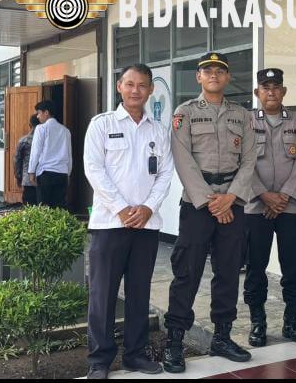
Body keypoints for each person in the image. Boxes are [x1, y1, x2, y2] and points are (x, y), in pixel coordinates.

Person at [162, 52, 256, 373]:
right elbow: (182, 159)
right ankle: (174, 342)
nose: (214, 74)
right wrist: (210, 201)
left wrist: (230, 198)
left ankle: (222, 338)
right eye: (207, 70)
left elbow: (249, 160)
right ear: (198, 77)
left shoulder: (242, 115)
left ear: (227, 77)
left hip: (232, 203)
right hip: (197, 205)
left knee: (228, 272)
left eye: (220, 70)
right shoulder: (185, 113)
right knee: (187, 272)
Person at [83, 64, 174, 379]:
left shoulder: (158, 130)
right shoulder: (102, 125)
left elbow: (165, 174)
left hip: (146, 226)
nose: (136, 90)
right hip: (109, 224)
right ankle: (99, 360)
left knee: (139, 293)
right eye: (130, 84)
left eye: (142, 85)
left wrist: (148, 207)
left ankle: (135, 355)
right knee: (102, 295)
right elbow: (94, 169)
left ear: (151, 90)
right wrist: (121, 208)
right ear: (119, 86)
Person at [244, 68, 296, 347]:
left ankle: (291, 321)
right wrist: (264, 195)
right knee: (255, 268)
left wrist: (282, 197)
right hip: (255, 208)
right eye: (265, 87)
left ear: (284, 91)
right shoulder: (246, 121)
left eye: (276, 87)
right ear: (257, 92)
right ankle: (257, 322)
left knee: (294, 267)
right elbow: (242, 162)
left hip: (289, 208)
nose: (271, 92)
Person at [28, 100, 72, 209]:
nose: (37, 116)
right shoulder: (65, 131)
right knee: (59, 209)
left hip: (45, 174)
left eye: (39, 113)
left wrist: (31, 171)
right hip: (62, 174)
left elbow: (36, 151)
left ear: (46, 112)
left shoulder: (41, 128)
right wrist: (68, 173)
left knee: (44, 209)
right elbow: (69, 154)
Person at [13, 114, 40, 205]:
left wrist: (18, 176)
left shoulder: (24, 140)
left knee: (29, 206)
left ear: (30, 125)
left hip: (28, 179)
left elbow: (17, 159)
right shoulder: (46, 140)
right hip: (43, 178)